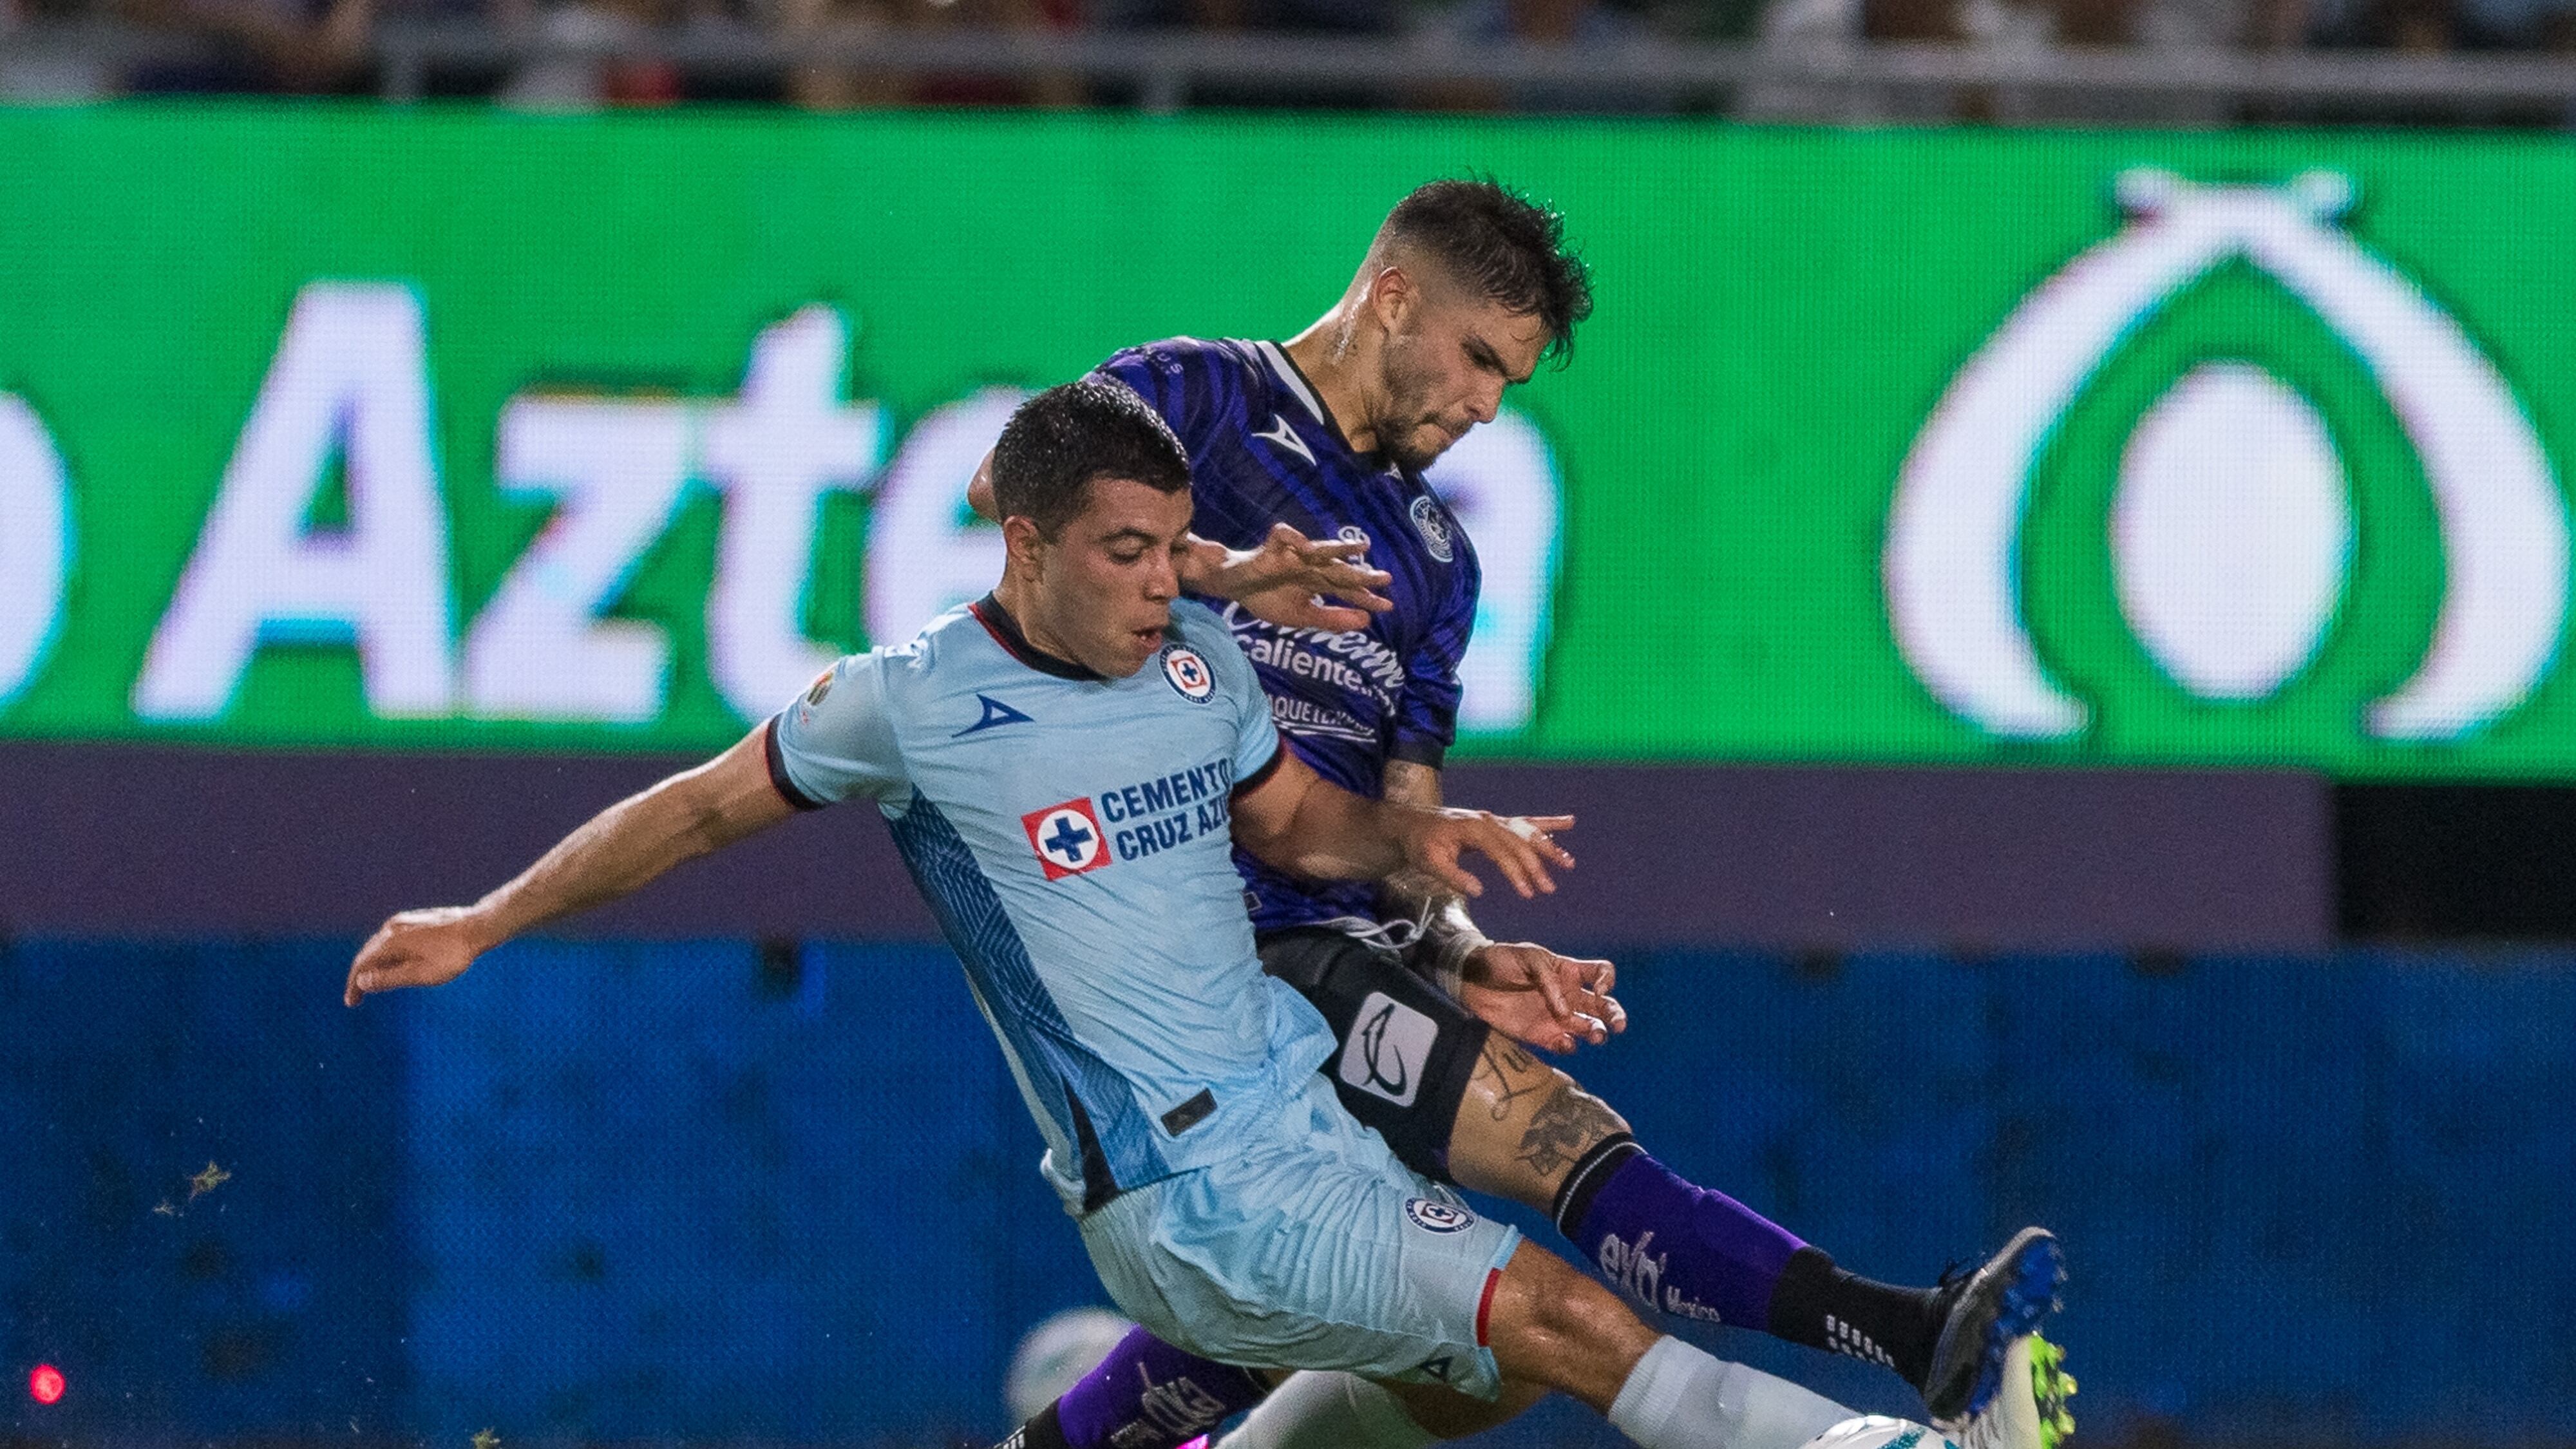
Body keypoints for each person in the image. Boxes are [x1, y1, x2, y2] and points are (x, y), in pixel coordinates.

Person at [343, 381, 1918, 1449]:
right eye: (1125, 553)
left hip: (1293, 1131)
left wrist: (1440, 857)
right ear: (1022, 544)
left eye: (1175, 549)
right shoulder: (909, 703)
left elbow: (1303, 824)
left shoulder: (1198, 664)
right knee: (1569, 1320)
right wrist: (484, 920)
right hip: (1186, 1189)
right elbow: (689, 811)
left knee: (1480, 1390)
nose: (1164, 584)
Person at [967, 179, 2067, 1449]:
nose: (1485, 404)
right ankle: (1917, 1342)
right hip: (1197, 941)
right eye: (1477, 359)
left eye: (1510, 381)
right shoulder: (1200, 396)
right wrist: (1218, 575)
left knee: (1426, 1351)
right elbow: (1009, 492)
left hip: (1322, 955)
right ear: (1391, 299)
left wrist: (1463, 952)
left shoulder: (1435, 557)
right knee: (1547, 1155)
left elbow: (1404, 827)